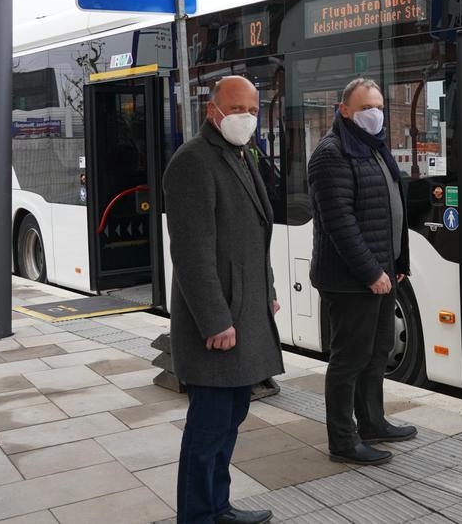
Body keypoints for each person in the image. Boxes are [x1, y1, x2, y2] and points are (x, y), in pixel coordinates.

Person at [163, 76, 281, 524]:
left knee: (231, 414)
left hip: (245, 311)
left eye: (253, 109)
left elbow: (254, 237)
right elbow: (192, 253)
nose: (246, 118)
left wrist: (267, 293)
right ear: (212, 110)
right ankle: (196, 515)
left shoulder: (240, 154)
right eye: (237, 109)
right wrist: (215, 321)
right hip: (216, 321)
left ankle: (219, 506)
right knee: (209, 424)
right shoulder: (193, 161)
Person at [308, 77, 417, 465]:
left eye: (379, 107)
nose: (375, 114)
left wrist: (397, 264)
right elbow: (340, 223)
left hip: (382, 274)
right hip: (351, 280)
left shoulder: (373, 148)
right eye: (366, 107)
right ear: (344, 111)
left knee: (376, 353)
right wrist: (372, 272)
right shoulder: (331, 153)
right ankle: (343, 440)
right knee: (348, 360)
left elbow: (388, 210)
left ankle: (372, 422)